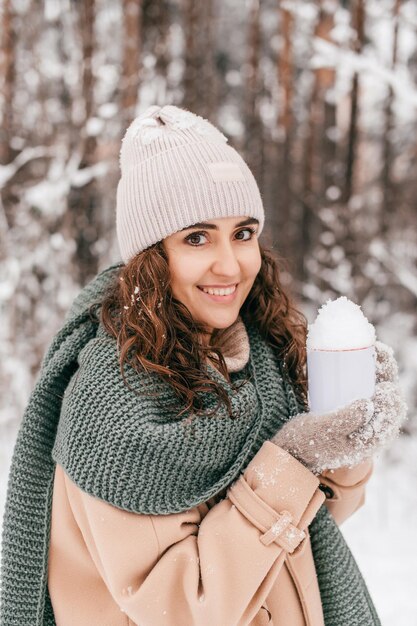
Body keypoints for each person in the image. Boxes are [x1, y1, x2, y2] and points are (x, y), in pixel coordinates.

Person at [0, 104, 407, 626]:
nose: (231, 264)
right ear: (152, 256)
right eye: (197, 237)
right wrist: (291, 461)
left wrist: (343, 435)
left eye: (242, 233)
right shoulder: (116, 402)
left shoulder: (254, 356)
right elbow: (186, 607)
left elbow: (305, 531)